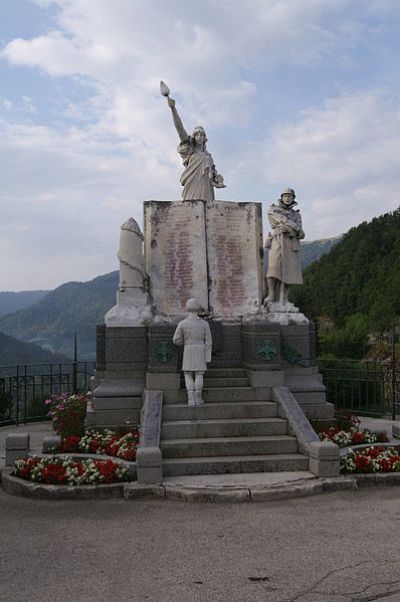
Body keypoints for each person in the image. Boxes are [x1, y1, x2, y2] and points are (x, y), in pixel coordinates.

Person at [166, 95, 225, 201]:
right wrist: (173, 109)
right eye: (196, 134)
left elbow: (213, 176)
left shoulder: (209, 157)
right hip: (192, 189)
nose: (199, 137)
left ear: (205, 137)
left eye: (201, 134)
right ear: (193, 137)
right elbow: (180, 130)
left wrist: (218, 180)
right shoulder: (190, 150)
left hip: (207, 190)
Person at [265, 188, 305, 308]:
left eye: (290, 196)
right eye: (285, 196)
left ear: (293, 198)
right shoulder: (273, 209)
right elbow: (281, 220)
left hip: (291, 242)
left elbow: (302, 233)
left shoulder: (296, 214)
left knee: (290, 271)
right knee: (273, 268)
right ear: (281, 197)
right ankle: (271, 294)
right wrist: (296, 228)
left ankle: (284, 298)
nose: (287, 198)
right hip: (277, 240)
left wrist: (294, 231)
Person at [172, 298, 212, 407]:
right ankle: (198, 397)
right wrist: (208, 357)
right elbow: (209, 342)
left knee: (188, 374)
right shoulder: (204, 324)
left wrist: (183, 342)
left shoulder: (182, 323)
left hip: (188, 349)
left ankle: (191, 399)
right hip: (200, 350)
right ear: (198, 309)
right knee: (199, 374)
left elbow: (176, 339)